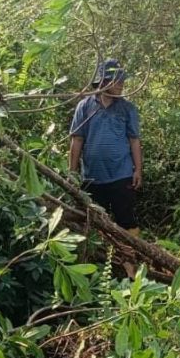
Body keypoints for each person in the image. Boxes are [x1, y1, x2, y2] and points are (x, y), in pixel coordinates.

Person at [68, 59, 142, 238]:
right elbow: (77, 140)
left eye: (122, 81)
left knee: (126, 221)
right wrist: (72, 172)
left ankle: (130, 262)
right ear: (103, 82)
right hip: (92, 177)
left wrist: (138, 170)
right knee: (94, 222)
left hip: (121, 176)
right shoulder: (85, 106)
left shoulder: (127, 108)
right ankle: (101, 260)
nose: (121, 85)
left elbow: (134, 140)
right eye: (117, 81)